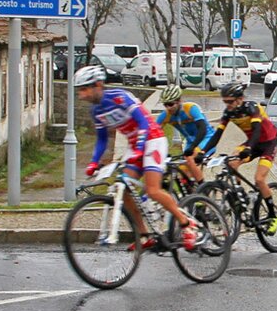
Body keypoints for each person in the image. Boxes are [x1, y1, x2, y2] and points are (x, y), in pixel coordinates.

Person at [75, 67, 201, 251]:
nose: (81, 95)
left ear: (98, 85)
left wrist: (140, 148)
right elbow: (102, 138)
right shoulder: (96, 111)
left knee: (152, 190)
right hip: (135, 145)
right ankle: (144, 235)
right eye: (80, 90)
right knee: (123, 188)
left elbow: (142, 121)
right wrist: (94, 161)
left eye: (84, 89)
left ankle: (186, 223)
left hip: (152, 140)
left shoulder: (119, 97)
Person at [201, 82, 277, 229]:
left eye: (230, 101)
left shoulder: (252, 108)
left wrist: (248, 148)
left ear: (240, 99)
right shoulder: (229, 113)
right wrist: (203, 152)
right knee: (232, 161)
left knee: (259, 179)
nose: (228, 105)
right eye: (225, 102)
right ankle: (240, 196)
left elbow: (257, 130)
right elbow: (217, 134)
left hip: (268, 144)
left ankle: (273, 215)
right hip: (252, 143)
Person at [156, 84, 214, 186]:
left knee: (189, 158)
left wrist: (192, 147)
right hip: (190, 142)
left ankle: (203, 189)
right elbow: (153, 133)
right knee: (183, 173)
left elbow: (203, 129)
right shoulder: (166, 115)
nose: (168, 108)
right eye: (165, 105)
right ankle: (190, 198)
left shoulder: (191, 108)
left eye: (171, 104)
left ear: (179, 101)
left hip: (206, 138)